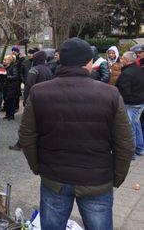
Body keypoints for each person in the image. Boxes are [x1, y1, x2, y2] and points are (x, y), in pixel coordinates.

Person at [19, 37, 134, 230]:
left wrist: (38, 167)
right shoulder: (110, 94)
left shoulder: (39, 92)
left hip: (54, 177)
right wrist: (117, 177)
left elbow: (26, 136)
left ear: (61, 60)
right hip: (97, 179)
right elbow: (125, 144)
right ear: (89, 63)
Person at [9, 51, 52, 151]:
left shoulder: (34, 70)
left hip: (34, 100)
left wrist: (26, 100)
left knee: (26, 125)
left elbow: (29, 85)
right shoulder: (48, 70)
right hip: (46, 101)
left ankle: (20, 144)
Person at [115, 51, 144, 158]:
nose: (120, 60)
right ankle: (140, 149)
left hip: (132, 104)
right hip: (140, 102)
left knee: (130, 127)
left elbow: (124, 92)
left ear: (127, 60)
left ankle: (131, 153)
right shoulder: (139, 70)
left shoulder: (127, 73)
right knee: (136, 125)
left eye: (122, 58)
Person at [2, 55, 19, 120]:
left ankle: (11, 115)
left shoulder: (13, 67)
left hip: (11, 87)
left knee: (11, 102)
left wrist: (7, 76)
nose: (4, 61)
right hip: (6, 86)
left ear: (9, 61)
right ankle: (7, 114)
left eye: (5, 60)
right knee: (7, 101)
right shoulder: (5, 67)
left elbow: (15, 76)